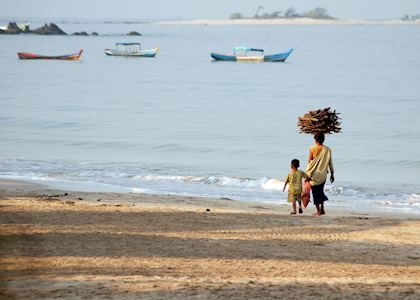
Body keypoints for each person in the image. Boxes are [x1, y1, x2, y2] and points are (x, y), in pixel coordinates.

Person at [305, 133, 334, 216]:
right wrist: (332, 173)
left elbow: (310, 163)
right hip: (323, 175)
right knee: (320, 191)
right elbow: (330, 162)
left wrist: (307, 175)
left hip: (314, 174)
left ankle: (318, 211)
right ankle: (322, 209)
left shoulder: (312, 148)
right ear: (323, 140)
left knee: (315, 192)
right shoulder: (328, 150)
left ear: (315, 140)